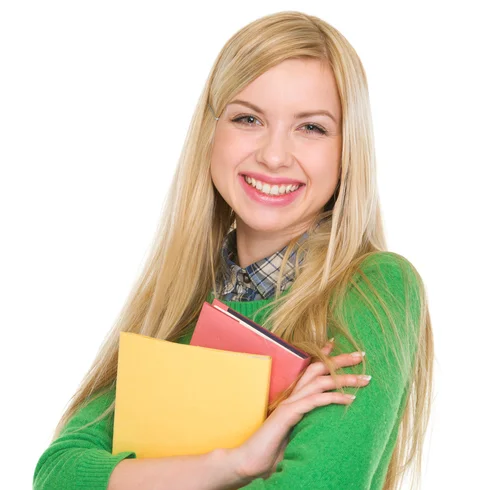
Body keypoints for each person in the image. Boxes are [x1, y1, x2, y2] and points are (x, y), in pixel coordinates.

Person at [33, 10, 433, 490]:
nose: (273, 154)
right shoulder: (177, 310)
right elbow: (59, 473)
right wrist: (233, 464)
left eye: (311, 128)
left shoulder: (373, 288)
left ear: (348, 151)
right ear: (211, 134)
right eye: (248, 118)